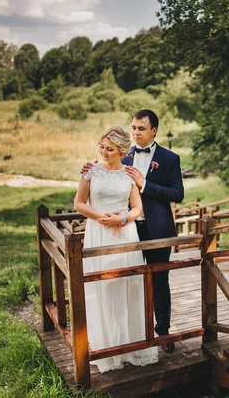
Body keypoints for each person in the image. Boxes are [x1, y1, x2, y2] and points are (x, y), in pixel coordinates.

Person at [82, 109, 184, 353]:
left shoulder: (170, 158)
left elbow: (177, 194)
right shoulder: (125, 156)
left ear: (154, 131)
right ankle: (133, 334)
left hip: (158, 231)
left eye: (141, 128)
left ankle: (163, 332)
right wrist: (91, 168)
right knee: (129, 283)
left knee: (160, 281)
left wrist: (145, 184)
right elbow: (106, 173)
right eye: (134, 128)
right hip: (127, 232)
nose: (136, 133)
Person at [74, 126, 158, 372]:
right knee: (103, 286)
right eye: (101, 147)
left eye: (109, 149)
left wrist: (121, 220)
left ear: (122, 151)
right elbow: (78, 204)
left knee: (128, 285)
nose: (104, 152)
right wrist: (103, 218)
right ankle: (107, 349)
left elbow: (137, 208)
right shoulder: (91, 172)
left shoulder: (129, 175)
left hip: (125, 234)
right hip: (100, 233)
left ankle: (130, 345)